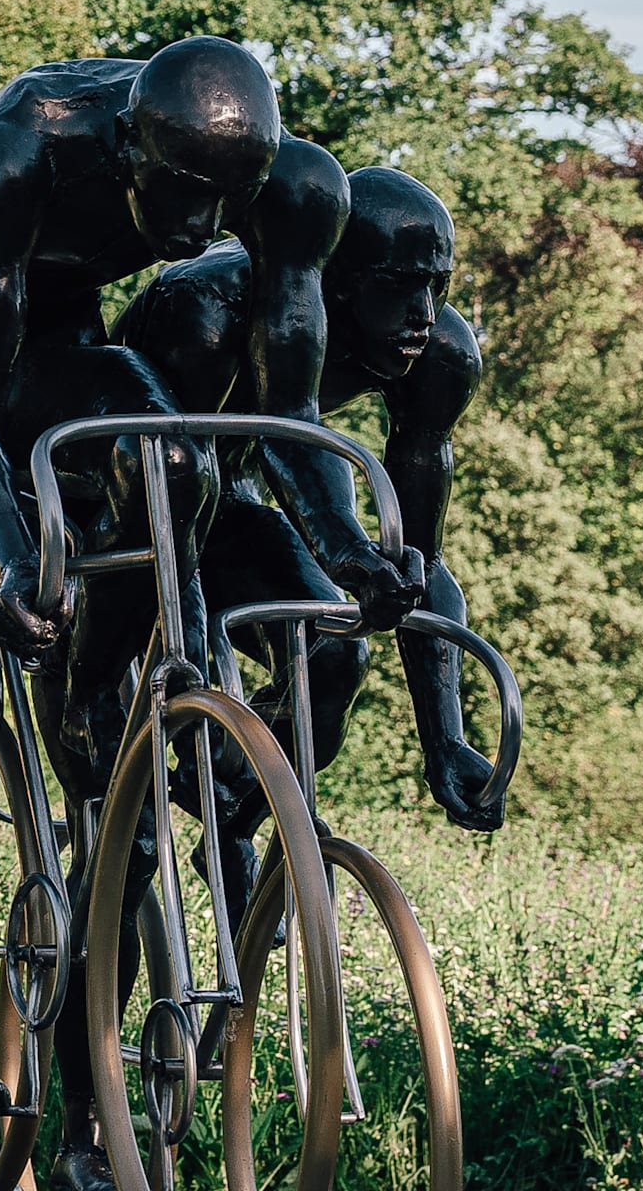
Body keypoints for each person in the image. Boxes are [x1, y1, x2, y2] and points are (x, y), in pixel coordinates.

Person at [0, 40, 423, 1189]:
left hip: (59, 352)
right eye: (174, 194)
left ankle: (152, 738)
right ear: (127, 146)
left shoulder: (298, 194)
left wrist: (350, 551)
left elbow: (286, 414)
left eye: (218, 203)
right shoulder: (17, 149)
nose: (194, 225)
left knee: (179, 462)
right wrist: (13, 553)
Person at [112, 166, 502, 920]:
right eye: (398, 285)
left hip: (227, 501)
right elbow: (171, 493)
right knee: (194, 665)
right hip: (132, 496)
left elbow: (422, 558)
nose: (423, 314)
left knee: (335, 649)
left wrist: (444, 738)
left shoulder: (440, 357)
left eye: (439, 285)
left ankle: (233, 813)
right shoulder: (211, 306)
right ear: (338, 279)